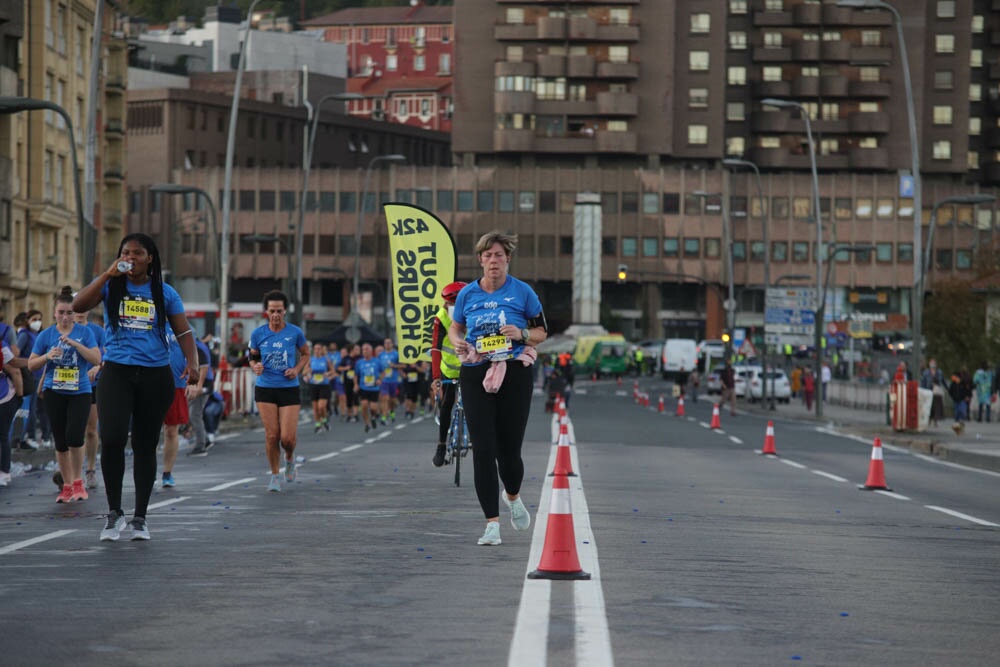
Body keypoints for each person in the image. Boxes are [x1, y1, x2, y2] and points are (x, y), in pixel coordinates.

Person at [72, 233, 199, 542]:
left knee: (145, 443)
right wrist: (106, 273)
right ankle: (114, 513)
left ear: (150, 258)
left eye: (138, 253)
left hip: (155, 375)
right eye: (126, 252)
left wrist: (192, 363)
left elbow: (183, 331)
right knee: (112, 437)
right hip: (117, 371)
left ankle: (140, 518)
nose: (131, 257)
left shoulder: (165, 292)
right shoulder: (111, 286)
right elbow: (78, 303)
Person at [448, 231, 547, 546]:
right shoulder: (467, 295)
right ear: (480, 260)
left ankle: (513, 496)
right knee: (483, 448)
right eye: (488, 255)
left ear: (508, 260)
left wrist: (520, 333)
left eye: (499, 255)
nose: (494, 261)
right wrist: (456, 342)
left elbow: (542, 332)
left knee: (509, 449)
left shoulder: (523, 292)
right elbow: (455, 325)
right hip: (476, 370)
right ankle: (491, 524)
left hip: (514, 370)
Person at [28, 287, 102, 503]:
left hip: (80, 391)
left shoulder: (85, 333)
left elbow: (96, 359)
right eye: (61, 312)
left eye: (69, 312)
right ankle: (67, 485)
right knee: (60, 440)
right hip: (55, 391)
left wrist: (76, 345)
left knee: (75, 436)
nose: (65, 316)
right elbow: (32, 364)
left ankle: (78, 481)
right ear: (54, 313)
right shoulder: (47, 335)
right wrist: (47, 356)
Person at [248, 290, 309, 493]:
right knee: (272, 436)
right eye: (272, 310)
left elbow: (305, 354)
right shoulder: (258, 334)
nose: (275, 314)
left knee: (287, 439)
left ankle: (289, 458)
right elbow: (252, 356)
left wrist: (297, 370)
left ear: (285, 312)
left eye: (279, 311)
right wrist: (255, 366)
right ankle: (275, 475)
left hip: (288, 389)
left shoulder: (295, 332)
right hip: (265, 388)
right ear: (266, 311)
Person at [430, 281, 466, 466]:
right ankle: (441, 445)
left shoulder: (475, 312)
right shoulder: (441, 317)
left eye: (452, 304)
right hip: (449, 370)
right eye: (447, 304)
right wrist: (436, 377)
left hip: (471, 367)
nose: (448, 307)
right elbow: (435, 349)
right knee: (446, 405)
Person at [74, 308, 104, 489]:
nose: (79, 312)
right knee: (71, 431)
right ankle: (69, 472)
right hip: (68, 385)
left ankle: (91, 469)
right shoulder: (62, 329)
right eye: (76, 309)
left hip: (91, 386)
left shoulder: (98, 331)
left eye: (82, 309)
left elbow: (108, 352)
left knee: (91, 430)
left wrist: (98, 366)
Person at [160, 327, 194, 487]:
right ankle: (147, 469)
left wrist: (194, 380)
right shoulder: (150, 322)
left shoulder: (182, 326)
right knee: (148, 431)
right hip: (151, 384)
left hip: (177, 384)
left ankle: (167, 472)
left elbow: (194, 353)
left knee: (171, 431)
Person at [304, 342, 335, 433]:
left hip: (324, 385)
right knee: (315, 408)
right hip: (314, 385)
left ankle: (324, 420)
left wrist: (328, 374)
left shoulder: (326, 360)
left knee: (321, 406)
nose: (317, 350)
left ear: (321, 350)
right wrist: (308, 372)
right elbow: (304, 372)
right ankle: (318, 424)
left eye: (318, 349)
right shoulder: (311, 359)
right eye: (315, 349)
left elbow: (333, 370)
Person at [354, 342, 383, 432]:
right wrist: (356, 384)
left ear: (371, 351)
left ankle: (373, 417)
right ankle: (367, 423)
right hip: (363, 387)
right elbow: (356, 375)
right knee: (364, 406)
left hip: (374, 388)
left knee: (373, 407)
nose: (365, 351)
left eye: (367, 349)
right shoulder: (359, 362)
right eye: (363, 350)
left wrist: (380, 380)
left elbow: (383, 372)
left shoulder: (377, 361)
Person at [378, 338, 402, 424]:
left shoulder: (396, 354)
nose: (387, 344)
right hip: (384, 380)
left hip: (393, 380)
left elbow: (403, 365)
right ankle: (384, 417)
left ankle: (392, 412)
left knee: (392, 400)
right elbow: (378, 367)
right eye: (386, 343)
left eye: (389, 343)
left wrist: (394, 366)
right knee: (385, 398)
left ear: (392, 344)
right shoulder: (381, 355)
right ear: (384, 345)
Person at [337, 344, 360, 422]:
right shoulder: (345, 359)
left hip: (357, 381)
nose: (358, 351)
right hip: (347, 381)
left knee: (356, 397)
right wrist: (346, 368)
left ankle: (356, 414)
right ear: (352, 350)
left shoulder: (359, 358)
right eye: (356, 349)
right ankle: (349, 415)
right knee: (349, 398)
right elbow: (339, 368)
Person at [922, 359, 946, 427]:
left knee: (937, 406)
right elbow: (923, 382)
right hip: (928, 391)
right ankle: (929, 420)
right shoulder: (926, 372)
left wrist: (947, 388)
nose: (933, 365)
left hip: (937, 391)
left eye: (934, 363)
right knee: (929, 406)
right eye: (931, 363)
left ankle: (936, 420)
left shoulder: (939, 372)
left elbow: (942, 381)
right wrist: (923, 390)